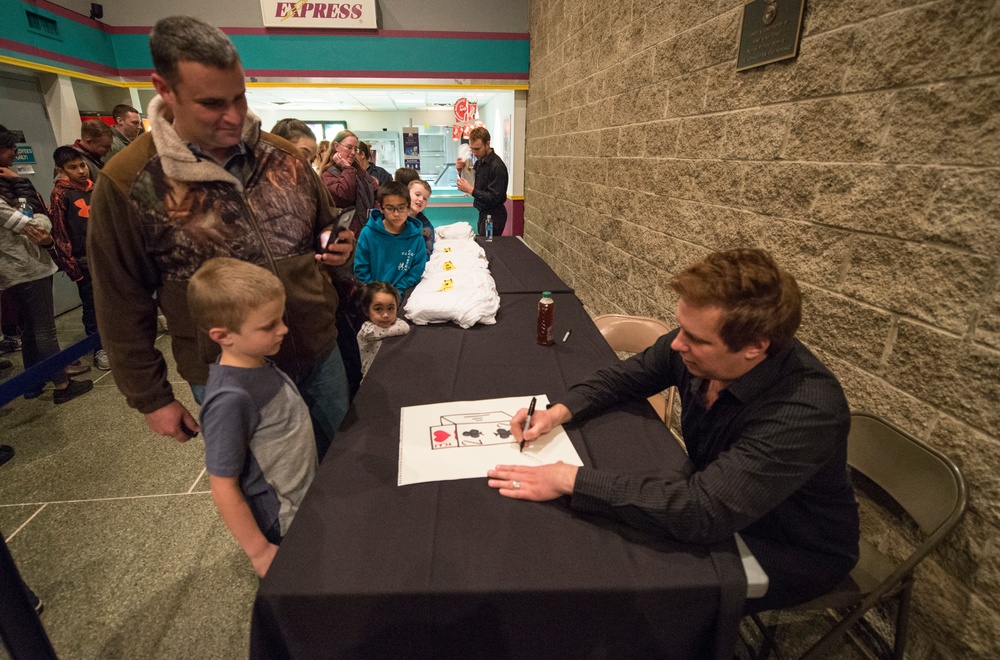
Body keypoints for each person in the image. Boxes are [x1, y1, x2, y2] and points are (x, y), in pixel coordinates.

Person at [488, 248, 860, 613]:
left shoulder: (807, 410)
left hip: (788, 545)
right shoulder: (693, 347)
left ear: (755, 347)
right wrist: (558, 412)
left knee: (629, 590)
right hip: (717, 497)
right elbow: (627, 377)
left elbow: (702, 511)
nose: (678, 343)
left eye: (697, 339)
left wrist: (571, 479)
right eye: (682, 328)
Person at [87, 16, 354, 458]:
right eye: (211, 104)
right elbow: (119, 297)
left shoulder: (282, 155)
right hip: (226, 373)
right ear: (164, 89)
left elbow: (325, 229)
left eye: (239, 97)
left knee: (341, 469)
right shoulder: (129, 180)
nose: (234, 117)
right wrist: (151, 396)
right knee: (269, 495)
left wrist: (338, 249)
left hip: (315, 350)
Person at [189, 258, 316, 578]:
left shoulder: (255, 359)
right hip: (282, 518)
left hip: (300, 498)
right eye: (269, 325)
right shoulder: (230, 399)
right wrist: (259, 551)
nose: (283, 329)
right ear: (223, 335)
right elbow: (222, 485)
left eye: (280, 318)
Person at [0, 125, 93, 404]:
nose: (15, 153)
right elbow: (31, 223)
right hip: (23, 266)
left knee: (30, 327)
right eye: (9, 148)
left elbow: (35, 217)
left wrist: (35, 214)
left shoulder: (9, 183)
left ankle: (33, 381)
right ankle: (62, 384)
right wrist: (23, 188)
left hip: (24, 264)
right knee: (43, 328)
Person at [48, 146, 108, 370]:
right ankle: (99, 348)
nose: (81, 171)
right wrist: (71, 265)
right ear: (61, 170)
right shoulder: (61, 193)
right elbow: (61, 231)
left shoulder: (95, 188)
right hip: (84, 259)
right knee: (92, 306)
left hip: (105, 256)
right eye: (73, 167)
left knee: (112, 302)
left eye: (82, 165)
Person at [353, 181, 428, 294]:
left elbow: (416, 271)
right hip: (372, 294)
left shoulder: (416, 238)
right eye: (390, 208)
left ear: (408, 208)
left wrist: (397, 291)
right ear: (381, 208)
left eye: (401, 208)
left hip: (402, 293)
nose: (396, 214)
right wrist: (375, 292)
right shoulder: (368, 233)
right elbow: (361, 268)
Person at [455, 127, 508, 236]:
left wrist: (470, 189)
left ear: (487, 144)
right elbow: (474, 183)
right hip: (483, 213)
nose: (474, 153)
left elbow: (495, 197)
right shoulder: (480, 162)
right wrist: (461, 171)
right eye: (472, 149)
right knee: (484, 243)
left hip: (493, 216)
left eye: (477, 149)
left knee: (489, 246)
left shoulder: (497, 166)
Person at [321, 129, 373, 238]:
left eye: (356, 149)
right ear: (336, 146)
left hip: (366, 232)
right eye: (349, 148)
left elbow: (373, 192)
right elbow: (345, 196)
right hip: (347, 235)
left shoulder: (358, 171)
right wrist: (347, 168)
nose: (353, 153)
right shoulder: (328, 174)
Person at [356, 281, 409, 377]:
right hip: (372, 376)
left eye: (390, 308)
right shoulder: (367, 330)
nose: (385, 315)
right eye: (378, 309)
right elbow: (405, 327)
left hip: (389, 370)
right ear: (366, 310)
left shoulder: (392, 323)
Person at [408, 179, 434, 258]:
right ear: (406, 194)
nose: (421, 199)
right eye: (417, 194)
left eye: (425, 199)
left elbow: (427, 253)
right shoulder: (394, 221)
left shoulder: (427, 228)